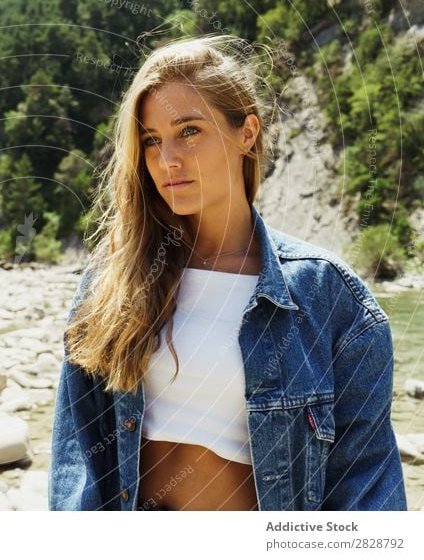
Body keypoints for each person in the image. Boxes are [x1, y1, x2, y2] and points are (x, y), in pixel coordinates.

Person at [47, 34, 407, 511]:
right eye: (152, 141)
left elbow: (366, 484)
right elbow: (79, 457)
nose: (167, 160)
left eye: (189, 131)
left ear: (247, 132)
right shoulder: (113, 283)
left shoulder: (328, 296)